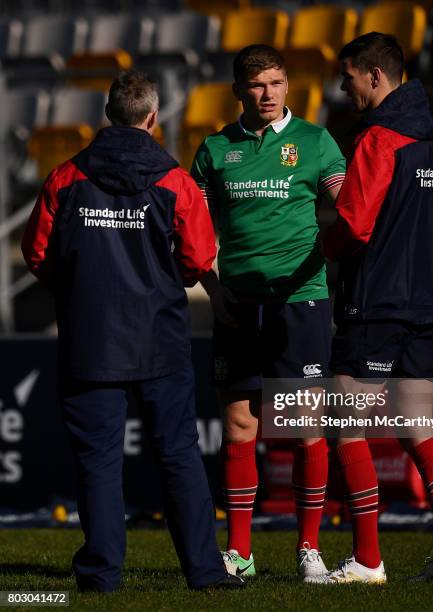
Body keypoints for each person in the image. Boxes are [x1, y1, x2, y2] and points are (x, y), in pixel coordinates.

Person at [21, 70, 244, 592]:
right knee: (179, 457)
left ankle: (101, 576)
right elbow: (196, 260)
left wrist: (77, 289)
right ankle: (205, 572)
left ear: (108, 116)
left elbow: (37, 255)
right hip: (159, 341)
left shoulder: (65, 178)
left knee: (98, 464)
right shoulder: (174, 182)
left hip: (90, 342)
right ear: (152, 119)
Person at [305, 32, 433, 585]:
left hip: (375, 303)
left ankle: (368, 560)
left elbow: (353, 224)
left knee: (347, 430)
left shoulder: (378, 139)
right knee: (417, 426)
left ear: (375, 75)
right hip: (428, 305)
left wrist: (316, 251)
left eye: (348, 76)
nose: (342, 87)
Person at [190, 44, 346, 580]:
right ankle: (240, 553)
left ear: (288, 87)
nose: (267, 94)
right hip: (237, 304)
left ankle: (309, 549)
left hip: (300, 303)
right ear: (238, 91)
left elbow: (348, 206)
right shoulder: (213, 150)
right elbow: (189, 230)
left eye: (276, 83)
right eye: (257, 85)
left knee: (305, 428)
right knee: (239, 427)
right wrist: (212, 288)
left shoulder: (316, 141)